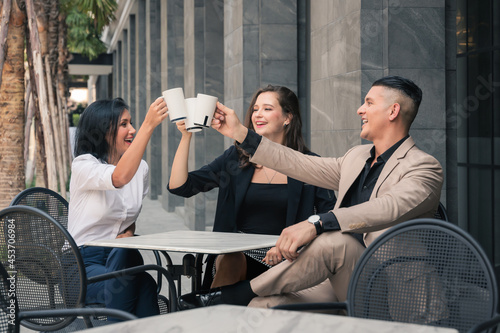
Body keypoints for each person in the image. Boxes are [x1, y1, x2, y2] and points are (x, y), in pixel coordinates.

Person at [178, 75, 444, 311]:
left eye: (369, 103)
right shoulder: (356, 157)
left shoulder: (424, 166)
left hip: (390, 289)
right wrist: (240, 133)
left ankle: (231, 295)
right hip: (340, 277)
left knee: (334, 241)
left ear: (393, 111)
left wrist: (317, 223)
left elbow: (389, 207)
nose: (359, 109)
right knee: (263, 305)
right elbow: (301, 163)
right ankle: (235, 297)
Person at [168, 85, 336, 289]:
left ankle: (211, 310)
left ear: (287, 117)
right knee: (232, 259)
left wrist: (293, 244)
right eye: (255, 109)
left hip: (289, 258)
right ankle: (213, 310)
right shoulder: (235, 159)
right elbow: (181, 187)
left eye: (267, 108)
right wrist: (186, 136)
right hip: (238, 256)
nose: (257, 114)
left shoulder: (309, 164)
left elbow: (330, 216)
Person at [68, 97, 168, 320]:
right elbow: (118, 177)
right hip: (83, 264)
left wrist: (129, 233)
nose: (132, 129)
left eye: (132, 123)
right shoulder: (84, 165)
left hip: (119, 258)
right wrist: (148, 125)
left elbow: (128, 218)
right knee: (141, 284)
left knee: (134, 270)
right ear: (103, 130)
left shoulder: (140, 169)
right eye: (124, 124)